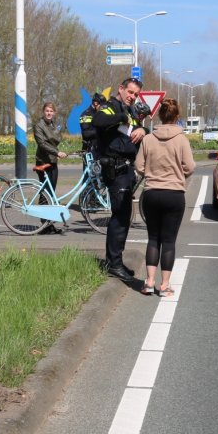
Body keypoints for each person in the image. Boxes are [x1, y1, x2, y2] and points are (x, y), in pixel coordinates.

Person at [135, 98, 194, 296]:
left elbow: (139, 166)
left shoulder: (148, 139)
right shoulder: (182, 139)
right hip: (174, 195)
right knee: (168, 241)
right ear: (177, 117)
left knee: (153, 238)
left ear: (159, 116)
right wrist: (178, 175)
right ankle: (164, 285)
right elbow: (190, 166)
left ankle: (149, 282)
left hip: (151, 193)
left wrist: (151, 174)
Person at [92, 76, 147, 280]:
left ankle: (115, 261)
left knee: (124, 217)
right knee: (120, 216)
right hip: (115, 169)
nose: (132, 97)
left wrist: (143, 129)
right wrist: (120, 118)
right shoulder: (111, 107)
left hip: (126, 169)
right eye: (130, 92)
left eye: (135, 94)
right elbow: (98, 121)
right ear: (121, 89)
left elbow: (135, 131)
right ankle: (114, 263)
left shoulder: (130, 111)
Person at [33, 102, 68, 234]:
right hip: (43, 161)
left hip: (53, 161)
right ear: (43, 111)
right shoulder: (38, 125)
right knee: (45, 193)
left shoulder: (53, 125)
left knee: (51, 193)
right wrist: (56, 152)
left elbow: (58, 138)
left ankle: (48, 222)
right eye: (47, 111)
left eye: (51, 111)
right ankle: (44, 224)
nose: (49, 113)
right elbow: (42, 143)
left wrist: (54, 148)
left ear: (54, 113)